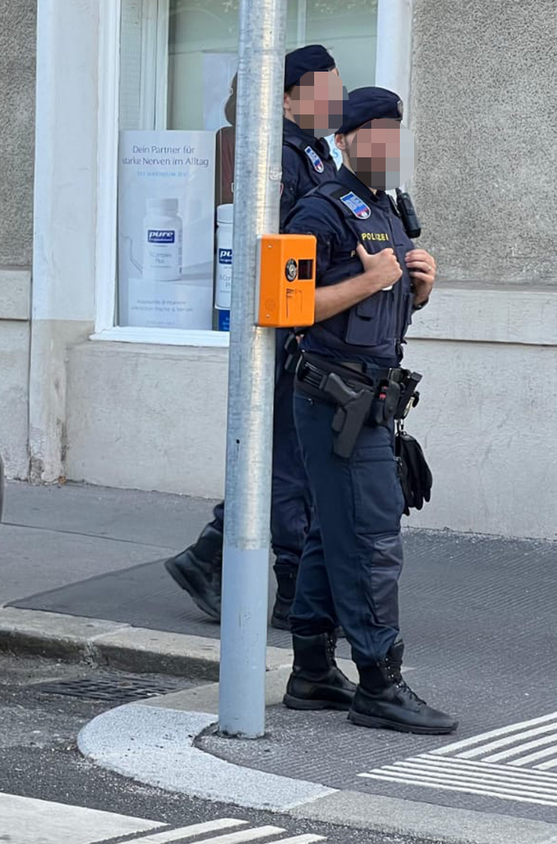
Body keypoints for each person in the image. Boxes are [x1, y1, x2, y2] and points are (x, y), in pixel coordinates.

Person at [279, 86, 455, 733]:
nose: (386, 143)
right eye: (374, 131)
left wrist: (419, 288)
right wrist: (369, 279)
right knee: (373, 539)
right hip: (333, 397)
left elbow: (388, 311)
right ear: (348, 139)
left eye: (393, 131)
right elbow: (282, 308)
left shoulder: (390, 211)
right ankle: (379, 684)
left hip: (372, 395)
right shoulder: (317, 211)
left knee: (332, 533)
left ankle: (311, 671)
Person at [166, 44, 345, 630]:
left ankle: (207, 556)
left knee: (282, 457)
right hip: (288, 328)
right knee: (288, 459)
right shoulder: (278, 157)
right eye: (326, 89)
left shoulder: (314, 152)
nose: (336, 99)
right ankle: (289, 587)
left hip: (310, 327)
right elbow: (283, 250)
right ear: (292, 97)